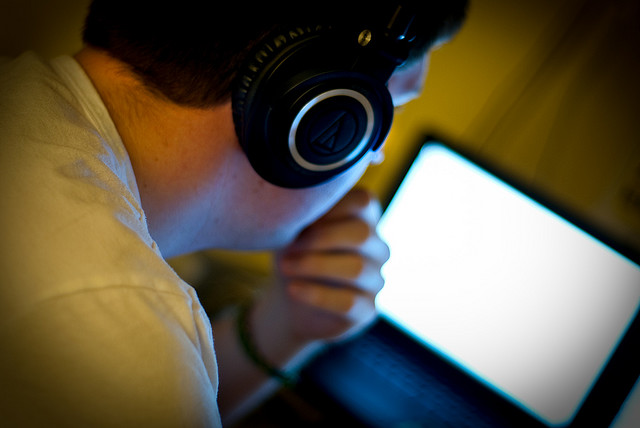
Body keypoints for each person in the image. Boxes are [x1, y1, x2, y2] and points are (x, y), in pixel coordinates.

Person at [0, 1, 468, 426]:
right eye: (388, 111)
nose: (377, 155)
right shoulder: (125, 340)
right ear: (320, 113)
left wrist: (285, 324)